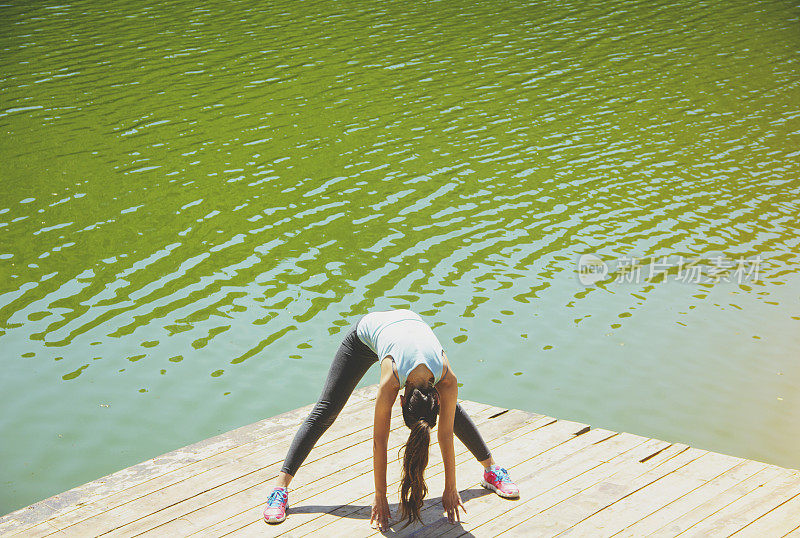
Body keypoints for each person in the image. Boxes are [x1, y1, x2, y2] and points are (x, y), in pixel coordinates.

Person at [262, 309, 520, 530]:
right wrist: (380, 495)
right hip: (366, 336)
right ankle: (280, 489)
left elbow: (446, 433)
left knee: (454, 412)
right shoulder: (391, 379)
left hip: (409, 325)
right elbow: (379, 441)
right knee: (326, 410)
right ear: (399, 399)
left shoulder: (447, 378)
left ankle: (491, 470)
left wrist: (450, 488)